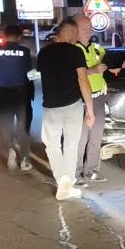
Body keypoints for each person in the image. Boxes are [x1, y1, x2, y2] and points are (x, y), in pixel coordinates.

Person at [37, 19, 95, 201]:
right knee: (71, 145)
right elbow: (82, 80)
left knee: (52, 144)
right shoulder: (75, 51)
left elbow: (43, 76)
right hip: (72, 105)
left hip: (51, 106)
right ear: (70, 32)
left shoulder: (43, 52)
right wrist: (90, 110)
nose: (77, 37)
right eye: (76, 33)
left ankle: (62, 179)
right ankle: (67, 182)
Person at [73, 14, 123, 186]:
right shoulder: (72, 50)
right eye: (83, 29)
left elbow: (109, 65)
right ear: (74, 30)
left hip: (99, 98)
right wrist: (92, 70)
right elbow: (73, 74)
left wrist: (118, 66)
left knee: (96, 135)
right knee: (81, 137)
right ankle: (76, 172)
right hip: (81, 99)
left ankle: (91, 170)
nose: (88, 32)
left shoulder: (97, 49)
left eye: (89, 29)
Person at [0, 24, 34, 172]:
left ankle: (10, 151)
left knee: (5, 123)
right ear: (19, 37)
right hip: (21, 92)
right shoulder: (24, 51)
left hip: (3, 92)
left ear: (5, 35)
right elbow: (31, 71)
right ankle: (25, 160)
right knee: (23, 126)